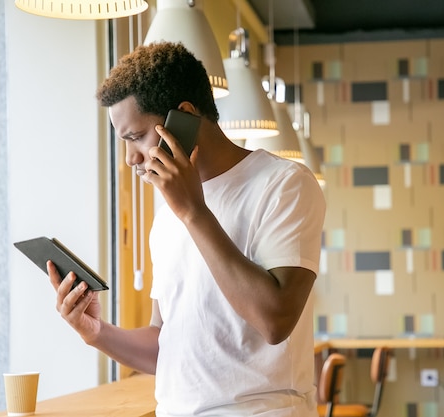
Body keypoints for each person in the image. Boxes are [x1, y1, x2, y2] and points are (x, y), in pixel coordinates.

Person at [47, 41, 326, 417]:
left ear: (185, 117)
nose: (130, 158)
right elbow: (167, 346)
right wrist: (95, 332)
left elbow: (275, 321)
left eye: (136, 137)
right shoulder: (167, 217)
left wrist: (194, 212)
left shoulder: (283, 184)